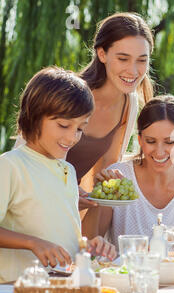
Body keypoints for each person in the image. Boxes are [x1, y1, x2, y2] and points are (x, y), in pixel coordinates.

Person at [12, 13, 154, 213]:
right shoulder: (70, 94)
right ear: (102, 54)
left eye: (142, 60)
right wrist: (66, 191)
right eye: (123, 58)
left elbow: (106, 168)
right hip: (30, 196)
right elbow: (28, 157)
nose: (133, 70)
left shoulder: (128, 103)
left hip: (71, 203)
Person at [0, 67, 116, 283]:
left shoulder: (67, 170)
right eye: (64, 125)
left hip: (62, 285)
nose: (73, 137)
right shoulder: (10, 166)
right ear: (35, 116)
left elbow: (63, 234)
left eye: (80, 128)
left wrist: (86, 247)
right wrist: (33, 243)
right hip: (19, 288)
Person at [82, 95, 174, 248]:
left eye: (170, 142)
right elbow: (88, 242)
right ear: (140, 140)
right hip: (125, 270)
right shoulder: (118, 177)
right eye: (151, 141)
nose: (160, 152)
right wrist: (98, 198)